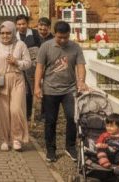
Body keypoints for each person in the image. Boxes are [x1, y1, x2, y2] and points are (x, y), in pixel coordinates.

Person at [34, 20, 89, 163]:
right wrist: (37, 87)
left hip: (69, 89)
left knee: (72, 118)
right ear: (55, 34)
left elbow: (81, 65)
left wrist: (81, 81)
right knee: (50, 121)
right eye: (60, 37)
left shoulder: (75, 47)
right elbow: (39, 68)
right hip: (50, 89)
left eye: (65, 37)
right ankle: (51, 150)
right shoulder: (46, 47)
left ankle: (70, 147)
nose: (63, 40)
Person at [0, 20, 31, 151]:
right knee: (3, 112)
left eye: (8, 33)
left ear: (13, 32)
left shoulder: (20, 45)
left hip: (17, 79)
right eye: (2, 33)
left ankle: (16, 138)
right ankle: (4, 139)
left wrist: (16, 62)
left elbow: (28, 63)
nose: (5, 36)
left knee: (16, 109)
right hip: (1, 80)